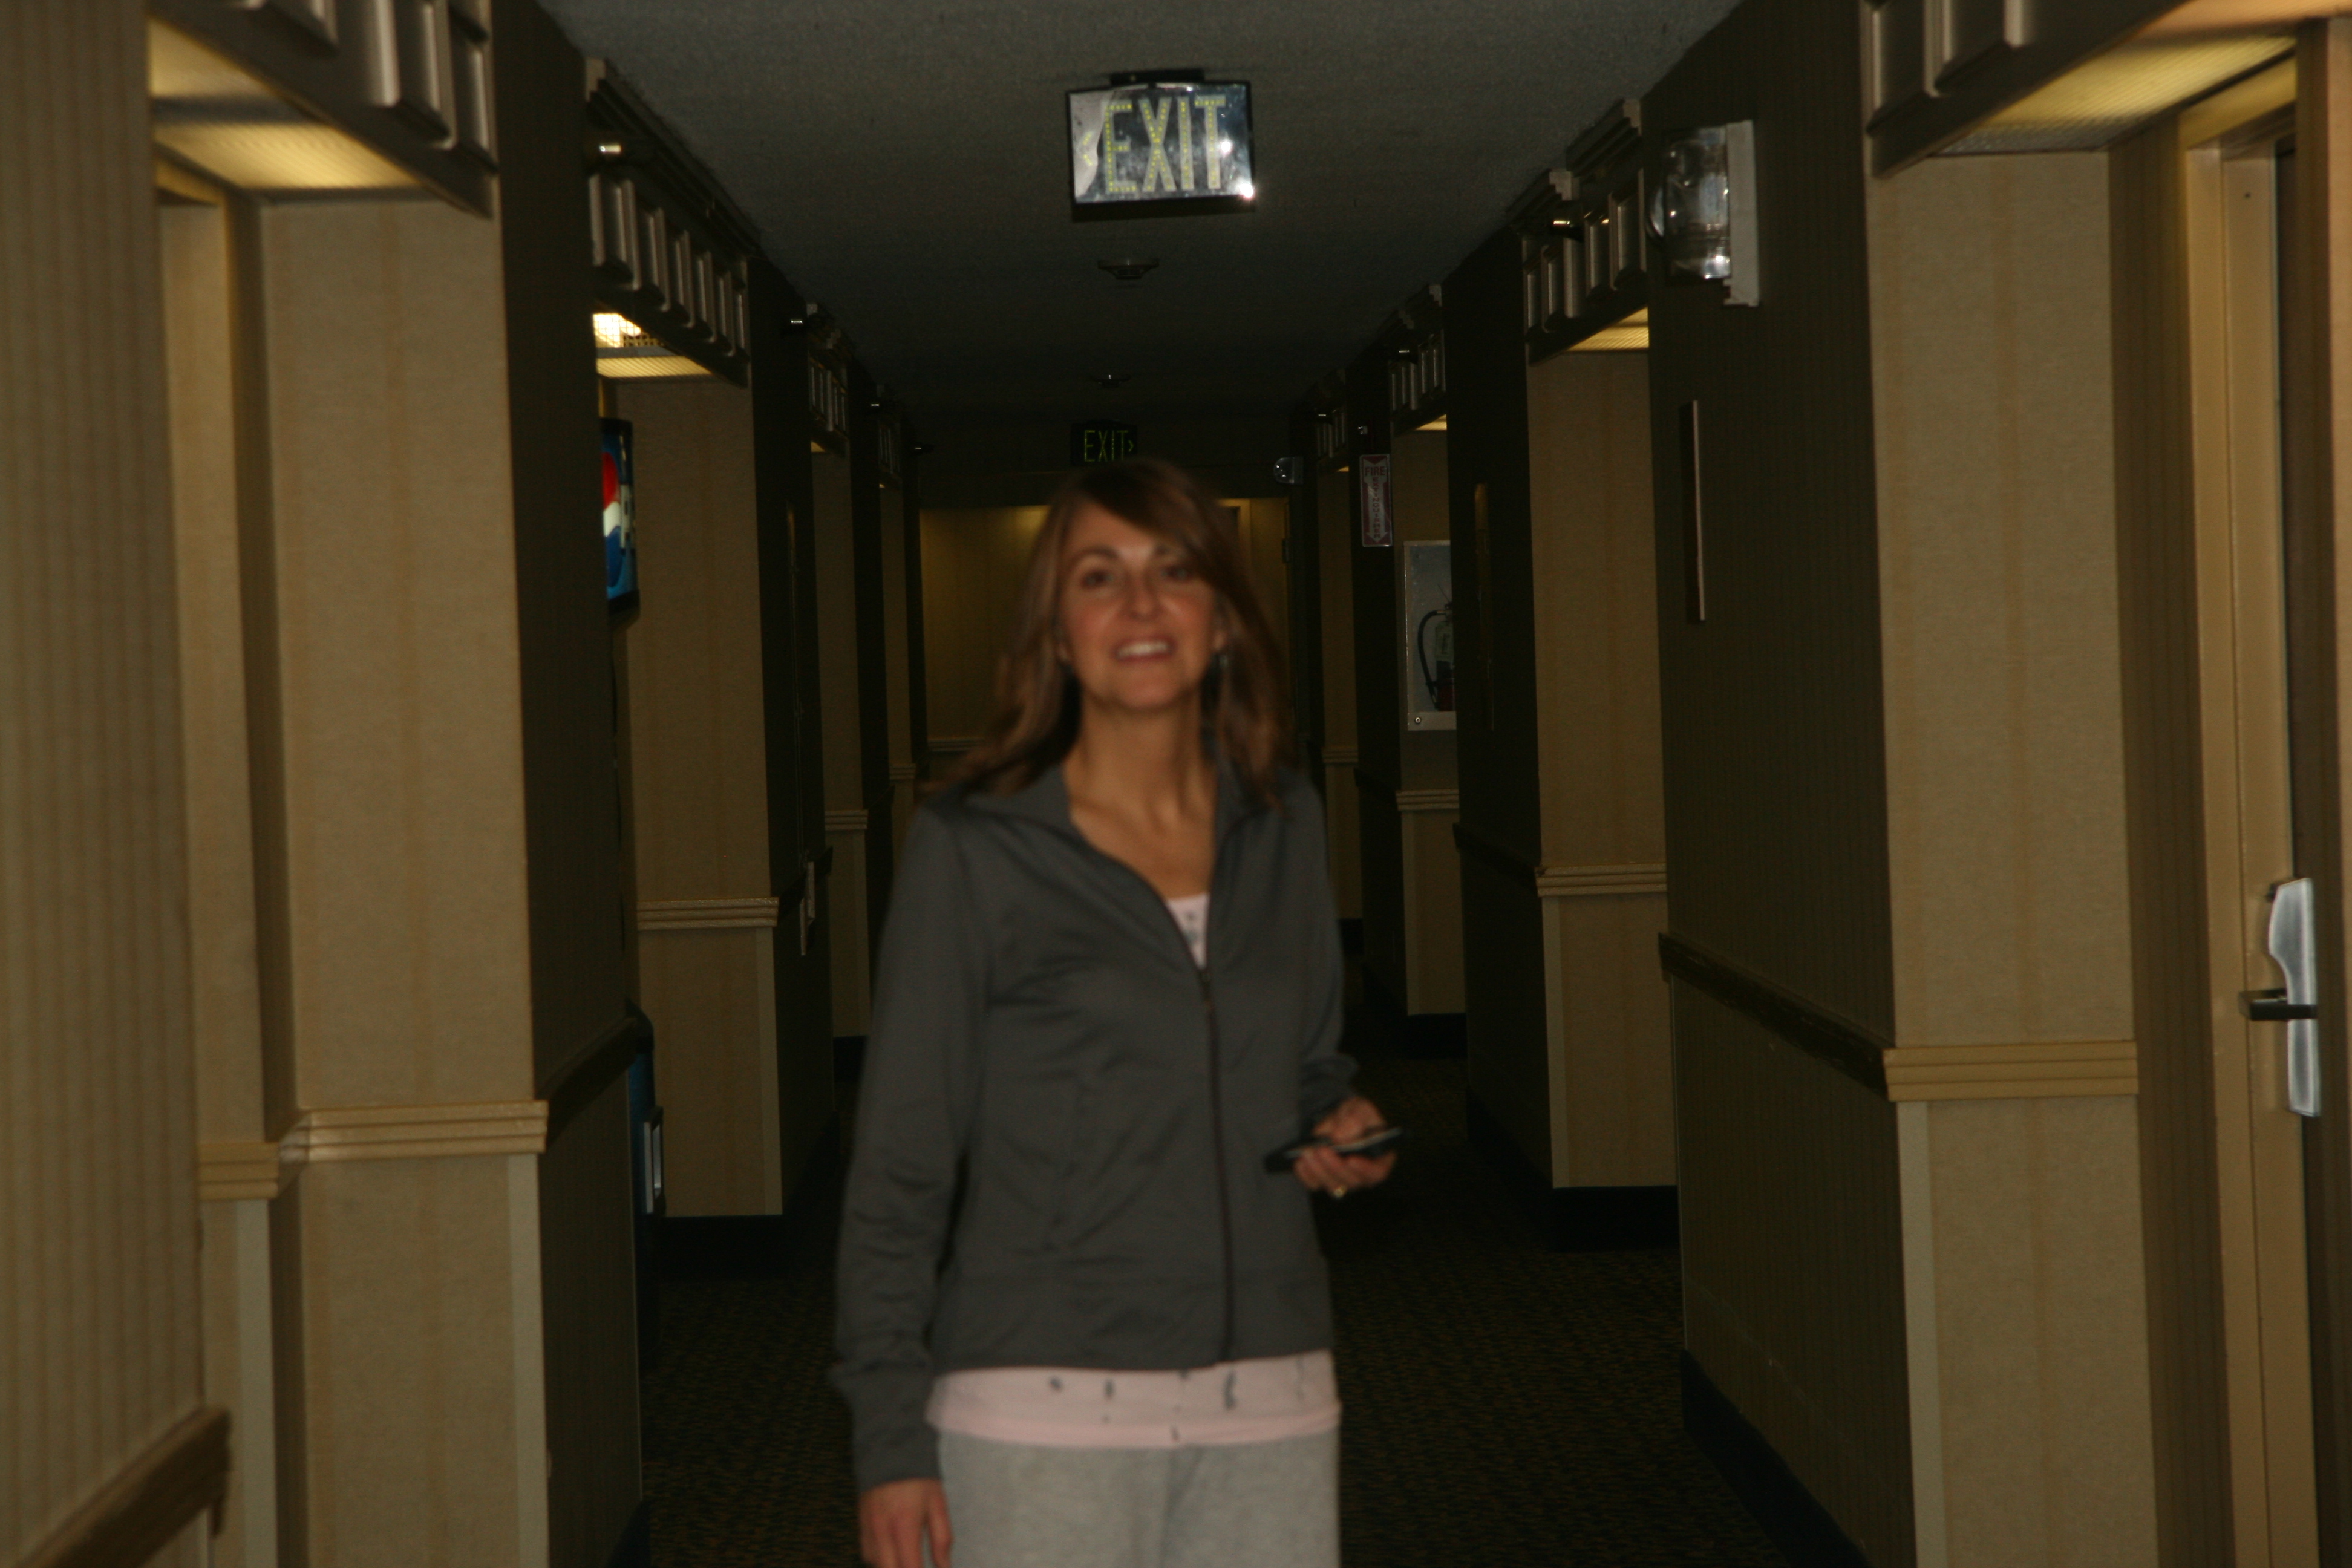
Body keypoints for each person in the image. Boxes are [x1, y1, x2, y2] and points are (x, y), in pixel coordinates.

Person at [834, 457, 1397, 1568]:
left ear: (1223, 620)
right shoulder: (975, 848)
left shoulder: (1284, 825)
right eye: (1099, 577)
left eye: (1174, 571)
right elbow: (900, 1165)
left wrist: (1339, 1125)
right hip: (1042, 1407)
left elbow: (1306, 1068)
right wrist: (890, 1435)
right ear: (1057, 632)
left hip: (1271, 1392)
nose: (1141, 605)